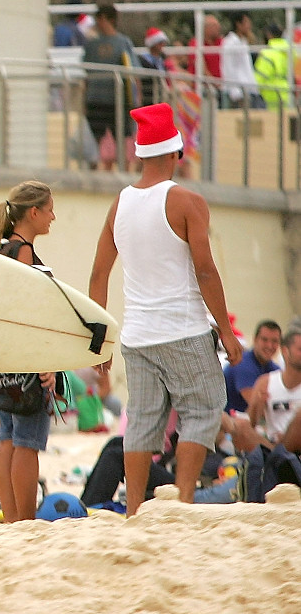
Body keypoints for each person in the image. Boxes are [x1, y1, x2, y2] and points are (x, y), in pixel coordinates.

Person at [88, 102, 243, 515]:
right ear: (176, 152)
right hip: (183, 330)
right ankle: (185, 501)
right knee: (204, 409)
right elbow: (206, 273)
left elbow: (98, 275)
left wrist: (98, 340)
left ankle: (136, 510)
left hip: (136, 336)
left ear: (139, 153)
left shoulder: (119, 204)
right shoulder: (188, 201)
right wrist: (226, 332)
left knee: (141, 424)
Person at [0, 181, 60, 522]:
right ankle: (24, 520)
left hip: (3, 355)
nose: (53, 217)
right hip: (25, 356)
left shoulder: (2, 249)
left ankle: (10, 518)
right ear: (33, 212)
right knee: (27, 440)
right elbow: (27, 310)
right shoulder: (24, 252)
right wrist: (43, 361)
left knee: (7, 439)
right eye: (49, 210)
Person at [81, 4, 140, 171]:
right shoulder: (91, 45)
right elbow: (86, 73)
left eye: (101, 19)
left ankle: (121, 174)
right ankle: (91, 173)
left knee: (121, 137)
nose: (98, 23)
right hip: (95, 99)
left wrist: (135, 100)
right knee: (93, 140)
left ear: (109, 20)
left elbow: (132, 71)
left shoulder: (123, 42)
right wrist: (84, 100)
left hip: (117, 100)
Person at [246, 326, 301, 453]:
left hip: (297, 447)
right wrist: (257, 405)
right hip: (272, 444)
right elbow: (251, 424)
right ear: (285, 351)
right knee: (240, 426)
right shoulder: (266, 382)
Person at [225, 319, 282, 414]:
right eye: (265, 340)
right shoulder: (242, 363)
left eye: (274, 341)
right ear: (255, 339)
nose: (269, 345)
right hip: (228, 422)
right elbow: (258, 408)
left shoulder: (275, 369)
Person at [219, 11, 264, 109]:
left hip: (249, 90)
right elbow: (228, 68)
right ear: (238, 24)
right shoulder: (230, 43)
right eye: (246, 22)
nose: (249, 26)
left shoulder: (243, 42)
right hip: (236, 93)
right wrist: (235, 92)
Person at [253, 25, 295, 111]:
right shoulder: (290, 51)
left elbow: (258, 79)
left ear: (269, 35)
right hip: (288, 94)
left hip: (271, 97)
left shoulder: (267, 53)